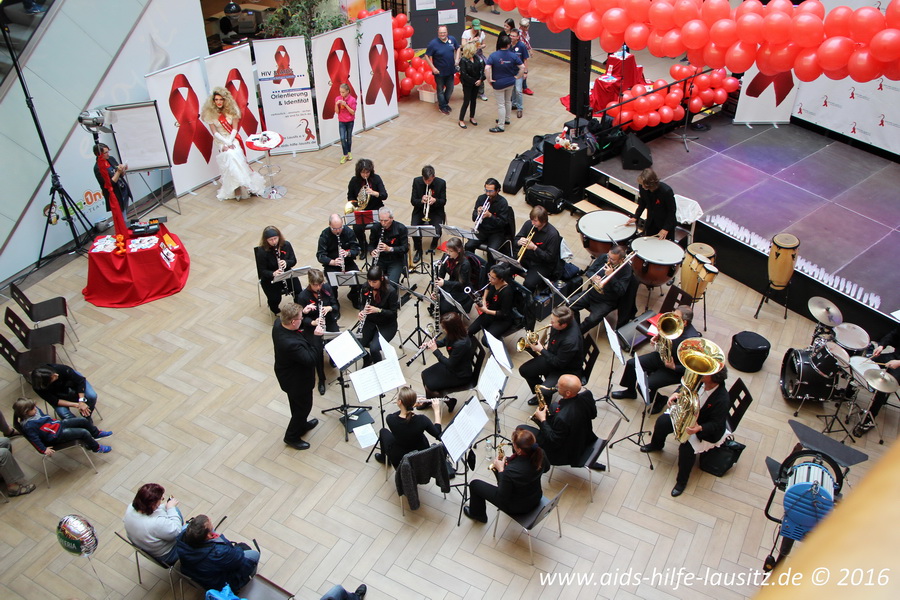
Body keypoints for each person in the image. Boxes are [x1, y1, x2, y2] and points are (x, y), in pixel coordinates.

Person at [640, 367, 730, 497]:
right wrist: (676, 394)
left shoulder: (722, 399)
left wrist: (699, 428)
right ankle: (656, 445)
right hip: (687, 416)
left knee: (686, 449)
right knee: (662, 422)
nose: (700, 373)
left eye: (706, 373)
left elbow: (716, 424)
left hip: (703, 428)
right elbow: (684, 387)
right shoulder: (698, 381)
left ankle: (681, 482)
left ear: (713, 379)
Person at [612, 305, 700, 413]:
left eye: (676, 317)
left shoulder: (692, 342)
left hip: (674, 370)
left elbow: (692, 369)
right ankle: (630, 391)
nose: (672, 318)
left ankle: (660, 400)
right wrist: (658, 338)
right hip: (662, 357)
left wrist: (674, 367)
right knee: (631, 364)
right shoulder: (674, 325)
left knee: (645, 385)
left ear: (685, 322)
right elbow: (665, 338)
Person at [464, 428, 548, 523]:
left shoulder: (510, 471)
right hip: (535, 497)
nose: (512, 444)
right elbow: (546, 468)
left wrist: (501, 470)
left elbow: (502, 497)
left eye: (513, 444)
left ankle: (478, 515)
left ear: (519, 450)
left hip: (517, 508)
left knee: (475, 484)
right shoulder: (540, 454)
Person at [518, 374, 602, 469]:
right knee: (553, 407)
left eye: (559, 386)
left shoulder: (562, 417)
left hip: (567, 451)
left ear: (568, 393)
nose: (556, 386)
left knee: (521, 430)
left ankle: (528, 463)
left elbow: (553, 441)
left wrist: (542, 420)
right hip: (586, 438)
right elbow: (593, 415)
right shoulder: (587, 395)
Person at [201, 87, 265, 201]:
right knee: (229, 155)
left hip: (233, 138)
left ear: (225, 100)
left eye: (221, 99)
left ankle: (244, 184)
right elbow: (214, 132)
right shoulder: (210, 114)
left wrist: (230, 141)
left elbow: (235, 129)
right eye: (216, 99)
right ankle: (237, 186)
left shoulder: (232, 111)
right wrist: (225, 144)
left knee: (234, 154)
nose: (219, 102)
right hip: (221, 140)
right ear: (213, 101)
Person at [272, 303, 320, 451]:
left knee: (297, 406)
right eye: (300, 318)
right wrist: (317, 337)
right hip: (296, 381)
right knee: (303, 408)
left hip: (288, 374)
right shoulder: (290, 344)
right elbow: (312, 359)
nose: (302, 319)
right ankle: (291, 436)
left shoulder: (279, 323)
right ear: (293, 322)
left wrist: (302, 312)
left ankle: (302, 425)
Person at [176, 514, 259, 592]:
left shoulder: (182, 538)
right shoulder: (220, 552)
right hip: (219, 583)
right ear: (209, 536)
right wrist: (221, 539)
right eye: (210, 525)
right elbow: (238, 556)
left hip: (196, 574)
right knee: (254, 554)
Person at [519, 306, 584, 404]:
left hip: (566, 369)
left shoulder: (570, 341)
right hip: (555, 355)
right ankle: (540, 395)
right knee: (524, 370)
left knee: (544, 390)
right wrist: (548, 344)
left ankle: (543, 396)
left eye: (553, 322)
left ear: (563, 325)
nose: (551, 323)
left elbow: (558, 364)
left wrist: (540, 349)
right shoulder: (565, 320)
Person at [570, 245, 634, 334]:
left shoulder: (626, 270)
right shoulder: (604, 257)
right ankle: (575, 329)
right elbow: (590, 271)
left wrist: (611, 276)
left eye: (612, 259)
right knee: (570, 304)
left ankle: (577, 333)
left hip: (606, 301)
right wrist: (593, 277)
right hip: (592, 292)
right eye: (608, 256)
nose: (608, 260)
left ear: (621, 260)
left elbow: (621, 291)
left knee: (592, 320)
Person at [296, 269, 340, 396]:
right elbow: (302, 319)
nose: (319, 287)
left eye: (321, 284)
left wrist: (329, 308)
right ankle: (321, 378)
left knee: (335, 339)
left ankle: (332, 357)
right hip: (312, 327)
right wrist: (313, 322)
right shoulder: (303, 296)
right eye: (316, 285)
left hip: (328, 321)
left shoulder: (326, 288)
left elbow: (336, 306)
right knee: (317, 349)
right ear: (310, 283)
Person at [13, 398, 112, 454]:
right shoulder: (29, 426)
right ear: (26, 412)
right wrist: (43, 449)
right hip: (55, 436)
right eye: (33, 408)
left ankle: (96, 433)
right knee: (83, 432)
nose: (36, 409)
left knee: (82, 420)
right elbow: (34, 439)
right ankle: (96, 448)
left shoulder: (35, 411)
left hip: (57, 425)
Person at [376, 386, 443, 467]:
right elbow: (438, 434)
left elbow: (399, 415)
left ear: (399, 402)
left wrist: (411, 406)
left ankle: (383, 458)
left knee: (383, 431)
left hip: (401, 458)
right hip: (421, 455)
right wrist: (436, 411)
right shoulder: (422, 420)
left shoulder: (390, 419)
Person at [421, 312, 474, 412]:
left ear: (452, 328)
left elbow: (450, 364)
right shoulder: (454, 334)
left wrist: (435, 350)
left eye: (444, 328)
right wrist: (430, 344)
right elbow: (444, 341)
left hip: (460, 374)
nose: (443, 330)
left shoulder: (462, 344)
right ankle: (430, 399)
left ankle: (449, 401)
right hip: (453, 366)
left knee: (430, 387)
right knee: (424, 374)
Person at [854, 326, 900, 436]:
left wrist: (899, 363)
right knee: (866, 364)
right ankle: (848, 393)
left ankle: (869, 419)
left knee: (884, 385)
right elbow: (893, 335)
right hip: (895, 356)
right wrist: (881, 346)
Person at [123, 483, 184, 565]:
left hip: (147, 549)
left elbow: (154, 512)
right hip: (167, 555)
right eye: (161, 499)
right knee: (195, 527)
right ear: (153, 505)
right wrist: (171, 508)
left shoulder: (130, 508)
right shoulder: (156, 523)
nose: (162, 499)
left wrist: (164, 506)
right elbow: (177, 532)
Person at [317, 213, 362, 307]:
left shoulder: (348, 232)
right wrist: (333, 262)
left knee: (359, 280)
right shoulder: (324, 235)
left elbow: (356, 249)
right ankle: (334, 303)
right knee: (331, 286)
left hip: (348, 262)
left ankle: (353, 296)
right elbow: (320, 255)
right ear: (330, 225)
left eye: (340, 228)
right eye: (335, 229)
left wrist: (348, 253)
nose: (338, 231)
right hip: (331, 265)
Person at [357, 266, 400, 366]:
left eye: (374, 282)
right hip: (370, 321)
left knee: (374, 348)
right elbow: (362, 304)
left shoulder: (391, 291)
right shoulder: (365, 287)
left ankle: (379, 366)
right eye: (369, 281)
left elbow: (393, 314)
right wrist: (361, 311)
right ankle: (367, 359)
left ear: (381, 279)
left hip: (387, 324)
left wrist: (378, 310)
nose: (371, 285)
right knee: (358, 343)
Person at [514, 205, 562, 292]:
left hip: (542, 264)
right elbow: (515, 239)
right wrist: (519, 241)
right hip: (527, 258)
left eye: (535, 221)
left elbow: (550, 258)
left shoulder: (553, 235)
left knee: (528, 284)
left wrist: (535, 248)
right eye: (531, 219)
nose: (532, 223)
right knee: (504, 269)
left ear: (543, 220)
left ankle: (525, 298)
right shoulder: (529, 224)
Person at [30, 363, 99, 421]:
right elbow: (55, 401)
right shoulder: (39, 387)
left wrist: (81, 401)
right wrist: (77, 405)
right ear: (47, 383)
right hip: (58, 396)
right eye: (53, 377)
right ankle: (80, 424)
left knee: (92, 396)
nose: (56, 375)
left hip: (72, 384)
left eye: (54, 373)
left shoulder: (59, 369)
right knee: (64, 414)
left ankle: (86, 416)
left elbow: (80, 381)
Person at [255, 225, 299, 315]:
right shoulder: (262, 252)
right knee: (275, 299)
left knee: (298, 291)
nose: (274, 242)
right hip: (270, 279)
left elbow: (293, 260)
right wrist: (273, 273)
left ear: (279, 237)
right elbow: (262, 271)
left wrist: (286, 263)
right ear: (266, 240)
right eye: (270, 240)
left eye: (275, 238)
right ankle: (275, 310)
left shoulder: (286, 245)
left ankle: (299, 310)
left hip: (286, 273)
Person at [485, 35, 524, 133]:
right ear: (508, 45)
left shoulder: (493, 55)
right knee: (508, 101)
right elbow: (522, 67)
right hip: (510, 82)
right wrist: (518, 77)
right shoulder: (513, 55)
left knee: (501, 104)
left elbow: (487, 68)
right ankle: (507, 119)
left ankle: (501, 126)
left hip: (498, 83)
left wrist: (489, 79)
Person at [347, 158, 388, 249]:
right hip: (361, 210)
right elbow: (350, 197)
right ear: (358, 172)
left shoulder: (376, 179)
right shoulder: (354, 181)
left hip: (376, 208)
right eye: (363, 172)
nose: (365, 175)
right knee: (357, 228)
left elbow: (384, 195)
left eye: (367, 172)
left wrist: (374, 193)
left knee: (377, 227)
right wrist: (357, 205)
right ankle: (363, 246)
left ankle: (374, 244)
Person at [409, 165, 447, 262]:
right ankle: (419, 249)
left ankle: (434, 241)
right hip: (420, 210)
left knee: (437, 231)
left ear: (433, 177)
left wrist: (435, 200)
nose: (427, 182)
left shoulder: (441, 183)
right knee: (413, 229)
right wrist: (421, 200)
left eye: (429, 180)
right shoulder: (417, 181)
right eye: (425, 180)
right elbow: (413, 201)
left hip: (435, 211)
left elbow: (443, 201)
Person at [627, 167, 677, 241]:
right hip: (651, 221)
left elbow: (671, 211)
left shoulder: (666, 191)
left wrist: (665, 229)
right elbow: (643, 202)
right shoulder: (642, 187)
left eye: (644, 185)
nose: (642, 186)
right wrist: (636, 217)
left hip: (664, 223)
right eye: (641, 184)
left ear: (650, 184)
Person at [465, 178, 510, 258]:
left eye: (491, 191)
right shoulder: (481, 198)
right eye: (486, 190)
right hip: (482, 229)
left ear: (497, 190)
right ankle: (472, 263)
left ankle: (490, 266)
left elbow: (503, 223)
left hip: (496, 232)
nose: (488, 193)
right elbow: (474, 218)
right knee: (468, 246)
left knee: (492, 252)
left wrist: (490, 216)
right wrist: (477, 213)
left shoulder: (503, 203)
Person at [467, 264, 515, 340]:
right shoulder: (492, 282)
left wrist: (486, 310)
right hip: (490, 312)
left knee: (485, 340)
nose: (490, 279)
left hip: (502, 320)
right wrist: (484, 300)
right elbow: (487, 288)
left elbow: (504, 313)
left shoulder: (507, 292)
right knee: (469, 331)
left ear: (501, 279)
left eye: (493, 278)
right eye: (489, 275)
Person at [424, 25, 461, 115]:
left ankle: (445, 103)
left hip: (450, 70)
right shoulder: (433, 43)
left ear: (447, 32)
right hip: (439, 72)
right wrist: (433, 68)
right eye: (440, 33)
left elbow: (458, 48)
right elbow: (426, 56)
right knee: (440, 90)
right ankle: (442, 106)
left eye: (444, 32)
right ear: (438, 33)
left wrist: (457, 59)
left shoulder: (452, 39)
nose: (442, 34)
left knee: (450, 88)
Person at [434, 237, 476, 315]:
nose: (448, 253)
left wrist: (444, 283)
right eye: (447, 250)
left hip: (461, 291)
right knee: (435, 302)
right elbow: (441, 274)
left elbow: (462, 283)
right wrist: (436, 290)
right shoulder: (446, 257)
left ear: (458, 250)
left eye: (451, 251)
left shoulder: (465, 264)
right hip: (451, 284)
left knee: (443, 308)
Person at [92, 143, 132, 225]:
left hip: (123, 190)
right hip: (115, 195)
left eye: (108, 151)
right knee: (121, 218)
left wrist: (123, 169)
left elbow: (120, 175)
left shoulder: (111, 159)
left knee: (124, 212)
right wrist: (118, 172)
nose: (108, 154)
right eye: (105, 153)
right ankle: (123, 230)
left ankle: (125, 227)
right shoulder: (98, 168)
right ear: (98, 154)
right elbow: (109, 184)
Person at [369, 208, 409, 285]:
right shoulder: (375, 228)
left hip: (395, 259)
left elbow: (405, 248)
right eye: (381, 220)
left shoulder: (401, 228)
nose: (383, 223)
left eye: (386, 221)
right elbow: (371, 245)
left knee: (392, 284)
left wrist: (390, 249)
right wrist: (372, 251)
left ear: (391, 218)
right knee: (373, 281)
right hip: (380, 259)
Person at [457, 42, 484, 129]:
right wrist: (475, 81)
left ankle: (472, 116)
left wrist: (480, 79)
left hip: (476, 83)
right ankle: (461, 119)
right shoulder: (463, 60)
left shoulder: (477, 58)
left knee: (473, 100)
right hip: (468, 84)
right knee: (466, 101)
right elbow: (464, 74)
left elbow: (482, 69)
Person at [508, 29, 529, 120]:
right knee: (512, 88)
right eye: (511, 35)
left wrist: (525, 71)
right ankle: (514, 104)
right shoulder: (508, 45)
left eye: (513, 36)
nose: (511, 37)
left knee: (518, 90)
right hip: (510, 71)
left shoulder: (522, 46)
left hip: (519, 71)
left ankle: (520, 108)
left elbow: (525, 59)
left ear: (518, 37)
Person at [335, 83, 357, 164]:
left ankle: (349, 152)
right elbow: (337, 112)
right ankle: (345, 154)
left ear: (347, 91)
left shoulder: (352, 100)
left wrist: (346, 105)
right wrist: (336, 104)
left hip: (350, 121)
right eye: (340, 92)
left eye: (343, 92)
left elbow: (353, 112)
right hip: (341, 121)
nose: (341, 94)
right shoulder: (338, 98)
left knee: (348, 137)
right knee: (342, 138)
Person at [519, 18, 534, 95]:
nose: (527, 28)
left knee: (524, 68)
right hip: (519, 54)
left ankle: (524, 86)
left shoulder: (526, 32)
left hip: (524, 52)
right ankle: (523, 87)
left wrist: (530, 49)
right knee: (523, 69)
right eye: (525, 26)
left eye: (527, 26)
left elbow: (527, 42)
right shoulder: (519, 34)